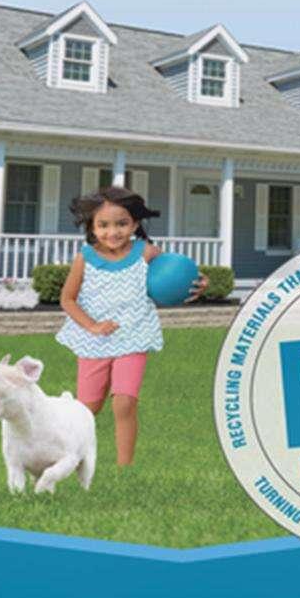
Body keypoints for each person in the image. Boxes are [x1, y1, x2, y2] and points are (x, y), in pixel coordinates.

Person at [55, 183, 204, 466]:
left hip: (133, 336)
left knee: (124, 402)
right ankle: (66, 455)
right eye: (104, 225)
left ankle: (125, 468)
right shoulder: (84, 259)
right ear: (92, 227)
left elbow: (175, 275)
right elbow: (67, 299)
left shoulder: (147, 252)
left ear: (135, 224)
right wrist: (93, 326)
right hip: (94, 341)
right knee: (88, 407)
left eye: (122, 224)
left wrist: (197, 284)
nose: (113, 232)